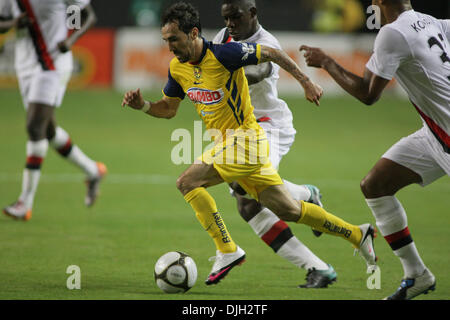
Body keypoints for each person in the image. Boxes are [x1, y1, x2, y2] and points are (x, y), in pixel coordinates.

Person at [122, 1, 377, 286]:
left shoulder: (226, 53)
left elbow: (271, 55)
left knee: (187, 182)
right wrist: (143, 105)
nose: (169, 47)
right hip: (230, 141)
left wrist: (306, 81)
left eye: (174, 39)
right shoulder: (180, 67)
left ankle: (227, 250)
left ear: (193, 33)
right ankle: (357, 233)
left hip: (253, 136)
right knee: (286, 210)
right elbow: (168, 109)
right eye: (166, 40)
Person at [300, 0, 449, 300]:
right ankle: (417, 274)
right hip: (433, 134)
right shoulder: (435, 22)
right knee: (376, 185)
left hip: (446, 137)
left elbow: (368, 95)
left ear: (380, 2)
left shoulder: (393, 33)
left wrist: (327, 62)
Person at [212, 0, 336, 288]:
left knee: (246, 189)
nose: (230, 24)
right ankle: (317, 265)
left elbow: (257, 72)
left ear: (252, 13)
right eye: (226, 18)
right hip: (240, 131)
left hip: (269, 126)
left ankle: (305, 196)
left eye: (236, 17)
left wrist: (219, 69)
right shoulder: (223, 37)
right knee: (247, 206)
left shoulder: (268, 43)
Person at [0, 0, 107, 221]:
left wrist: (71, 40)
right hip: (25, 66)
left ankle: (24, 203)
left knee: (34, 127)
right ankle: (93, 171)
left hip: (53, 65)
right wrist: (14, 22)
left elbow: (89, 16)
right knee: (48, 131)